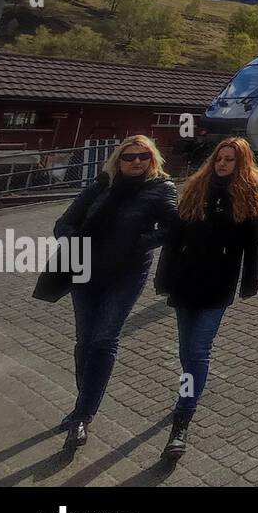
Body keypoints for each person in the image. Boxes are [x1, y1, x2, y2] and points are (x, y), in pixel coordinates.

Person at [51, 135, 177, 451]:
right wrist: (76, 239)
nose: (136, 161)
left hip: (126, 273)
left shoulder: (161, 188)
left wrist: (140, 243)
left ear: (153, 159)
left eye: (143, 156)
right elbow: (63, 223)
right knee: (84, 341)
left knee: (104, 339)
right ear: (118, 160)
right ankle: (84, 403)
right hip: (85, 272)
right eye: (129, 156)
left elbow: (175, 226)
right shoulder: (101, 185)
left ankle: (82, 416)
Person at [154, 137, 258, 461]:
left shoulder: (249, 195)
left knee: (197, 350)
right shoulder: (196, 188)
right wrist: (163, 276)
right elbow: (174, 237)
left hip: (218, 285)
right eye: (219, 158)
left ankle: (181, 421)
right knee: (185, 351)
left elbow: (254, 243)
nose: (222, 164)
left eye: (230, 160)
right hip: (184, 280)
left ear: (241, 163)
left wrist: (250, 281)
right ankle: (188, 390)